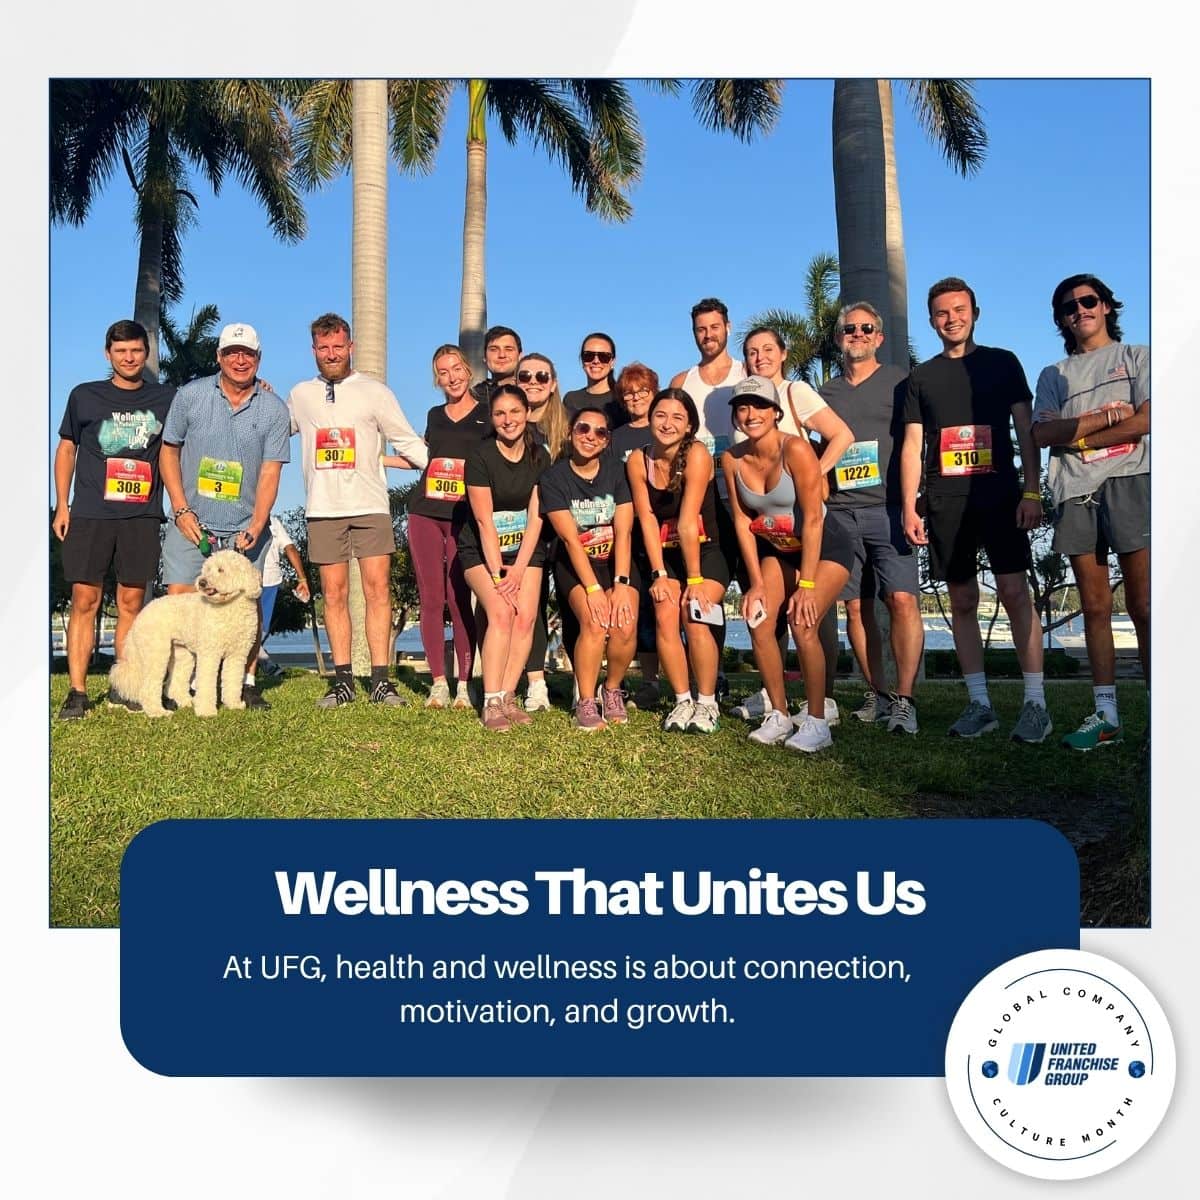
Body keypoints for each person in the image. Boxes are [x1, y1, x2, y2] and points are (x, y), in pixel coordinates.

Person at [900, 277, 1051, 742]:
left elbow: (1026, 431)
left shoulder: (1003, 363)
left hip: (1002, 495)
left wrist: (1031, 491)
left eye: (959, 310)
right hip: (946, 499)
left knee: (1014, 593)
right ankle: (979, 704)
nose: (952, 319)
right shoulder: (920, 378)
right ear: (931, 320)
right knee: (962, 600)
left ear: (975, 312)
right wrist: (910, 505)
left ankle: (1035, 704)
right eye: (942, 313)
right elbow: (911, 444)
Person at [287, 313, 428, 709]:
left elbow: (406, 439)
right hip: (323, 508)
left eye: (337, 346)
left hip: (370, 506)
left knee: (377, 591)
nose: (331, 354)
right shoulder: (300, 394)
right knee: (333, 594)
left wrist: (446, 474)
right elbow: (274, 431)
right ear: (313, 350)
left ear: (351, 347)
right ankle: (343, 681)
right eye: (323, 347)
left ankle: (382, 682)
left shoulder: (375, 391)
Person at [1032, 274, 1149, 750]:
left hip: (1130, 482)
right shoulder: (1052, 374)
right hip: (1073, 493)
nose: (1080, 310)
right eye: (1068, 307)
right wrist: (1106, 420)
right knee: (1096, 608)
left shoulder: (1136, 357)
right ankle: (1106, 716)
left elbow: (1145, 421)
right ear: (1061, 319)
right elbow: (1042, 435)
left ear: (1106, 306)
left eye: (1088, 301)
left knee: (1143, 605)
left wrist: (1077, 437)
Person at [159, 322, 290, 711]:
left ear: (258, 359)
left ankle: (246, 684)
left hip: (244, 529)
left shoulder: (274, 409)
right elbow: (169, 452)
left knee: (246, 613)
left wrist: (257, 523)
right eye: (232, 352)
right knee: (182, 603)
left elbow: (270, 471)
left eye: (247, 353)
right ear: (219, 357)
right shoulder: (190, 396)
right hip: (191, 523)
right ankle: (179, 688)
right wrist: (181, 509)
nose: (239, 359)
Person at [734, 325, 856, 727]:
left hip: (822, 544)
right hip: (777, 546)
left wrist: (810, 480)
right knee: (758, 617)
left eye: (768, 348)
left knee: (804, 621)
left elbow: (816, 514)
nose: (751, 414)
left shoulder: (795, 427)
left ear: (775, 413)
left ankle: (819, 718)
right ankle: (779, 713)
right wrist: (753, 582)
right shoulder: (734, 457)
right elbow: (741, 519)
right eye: (743, 408)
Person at [53, 319, 174, 719]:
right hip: (90, 513)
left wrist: (259, 387)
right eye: (121, 351)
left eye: (136, 350)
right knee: (84, 599)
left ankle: (125, 688)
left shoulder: (165, 399)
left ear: (145, 354)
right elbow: (67, 449)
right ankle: (77, 691)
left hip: (140, 515)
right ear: (108, 354)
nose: (129, 357)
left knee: (131, 602)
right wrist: (62, 505)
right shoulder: (85, 396)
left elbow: (208, 401)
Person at [819, 303, 925, 734]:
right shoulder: (826, 393)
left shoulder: (901, 381)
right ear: (839, 337)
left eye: (867, 328)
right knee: (855, 606)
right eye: (850, 329)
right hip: (841, 511)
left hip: (890, 509)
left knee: (901, 600)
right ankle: (879, 695)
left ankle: (906, 700)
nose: (857, 334)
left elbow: (919, 441)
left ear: (879, 337)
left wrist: (915, 503)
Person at [627, 388, 730, 734]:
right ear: (650, 419)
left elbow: (687, 521)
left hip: (707, 551)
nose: (667, 424)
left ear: (689, 426)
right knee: (664, 612)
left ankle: (707, 702)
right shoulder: (638, 460)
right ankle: (683, 699)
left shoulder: (697, 455)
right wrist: (658, 574)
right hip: (667, 553)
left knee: (695, 613)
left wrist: (696, 580)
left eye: (677, 418)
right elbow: (646, 518)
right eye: (660, 415)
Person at [457, 383, 551, 731]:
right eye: (499, 413)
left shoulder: (540, 456)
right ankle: (491, 700)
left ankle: (509, 695)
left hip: (525, 550)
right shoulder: (480, 457)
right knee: (500, 612)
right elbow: (483, 520)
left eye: (514, 411)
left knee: (525, 617)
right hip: (482, 551)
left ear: (527, 413)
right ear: (492, 418)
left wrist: (519, 569)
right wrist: (500, 575)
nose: (508, 420)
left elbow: (537, 516)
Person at [538, 407, 638, 731]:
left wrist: (621, 584)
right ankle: (585, 698)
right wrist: (594, 590)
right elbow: (569, 539)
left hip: (616, 562)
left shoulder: (617, 471)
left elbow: (623, 531)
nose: (590, 437)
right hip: (576, 564)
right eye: (583, 429)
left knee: (623, 623)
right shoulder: (554, 478)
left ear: (607, 439)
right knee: (595, 623)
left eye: (599, 432)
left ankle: (612, 690)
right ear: (571, 432)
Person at [669, 297, 747, 701]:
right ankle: (711, 678)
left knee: (757, 589)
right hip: (699, 506)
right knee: (703, 594)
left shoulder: (745, 373)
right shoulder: (683, 381)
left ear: (728, 328)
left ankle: (774, 688)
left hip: (748, 500)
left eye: (714, 327)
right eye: (700, 328)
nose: (707, 335)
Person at [405, 344, 490, 709]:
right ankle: (438, 682)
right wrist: (375, 458)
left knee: (459, 598)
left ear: (468, 371)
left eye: (456, 369)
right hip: (424, 512)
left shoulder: (488, 416)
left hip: (464, 517)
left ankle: (464, 684)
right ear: (436, 379)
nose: (451, 377)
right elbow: (423, 459)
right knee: (430, 598)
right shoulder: (434, 415)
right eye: (443, 372)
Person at [514, 352, 570, 712]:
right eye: (525, 376)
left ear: (552, 383)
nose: (533, 382)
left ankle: (584, 684)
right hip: (523, 532)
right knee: (529, 609)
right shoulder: (508, 423)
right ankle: (536, 682)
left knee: (571, 604)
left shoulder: (569, 427)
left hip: (563, 532)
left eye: (541, 376)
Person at [609, 362, 660, 710]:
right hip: (626, 533)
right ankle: (640, 681)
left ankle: (668, 681)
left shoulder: (663, 430)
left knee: (665, 608)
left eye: (643, 391)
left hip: (661, 528)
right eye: (629, 393)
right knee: (635, 610)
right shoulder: (616, 438)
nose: (636, 398)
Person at [256, 514, 311, 677]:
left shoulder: (273, 522)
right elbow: (290, 548)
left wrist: (302, 578)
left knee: (259, 631)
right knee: (251, 631)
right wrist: (301, 578)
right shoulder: (242, 518)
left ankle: (265, 666)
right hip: (250, 582)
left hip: (268, 581)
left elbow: (290, 548)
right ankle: (267, 665)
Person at [562, 332, 626, 428]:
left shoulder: (623, 399)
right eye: (589, 356)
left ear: (613, 362)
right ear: (582, 360)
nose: (596, 361)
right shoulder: (571, 400)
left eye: (604, 357)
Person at [469, 325, 522, 405]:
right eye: (494, 350)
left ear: (520, 356)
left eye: (508, 349)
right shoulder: (472, 397)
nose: (502, 355)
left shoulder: (533, 390)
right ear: (484, 356)